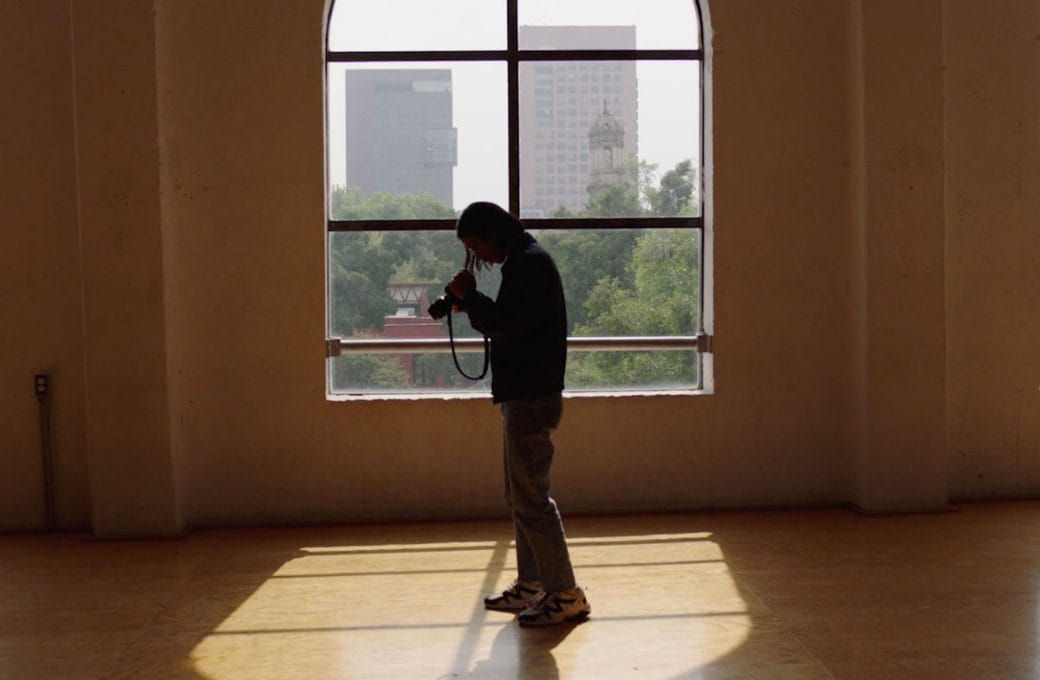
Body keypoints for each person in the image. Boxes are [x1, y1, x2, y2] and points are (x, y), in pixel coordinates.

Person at [446, 201, 590, 627]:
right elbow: (510, 323)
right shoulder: (525, 263)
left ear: (493, 232)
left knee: (532, 499)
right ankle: (532, 583)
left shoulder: (529, 266)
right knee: (521, 496)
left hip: (531, 397)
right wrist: (471, 303)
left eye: (477, 245)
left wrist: (470, 298)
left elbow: (506, 325)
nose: (479, 255)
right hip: (524, 395)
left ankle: (565, 593)